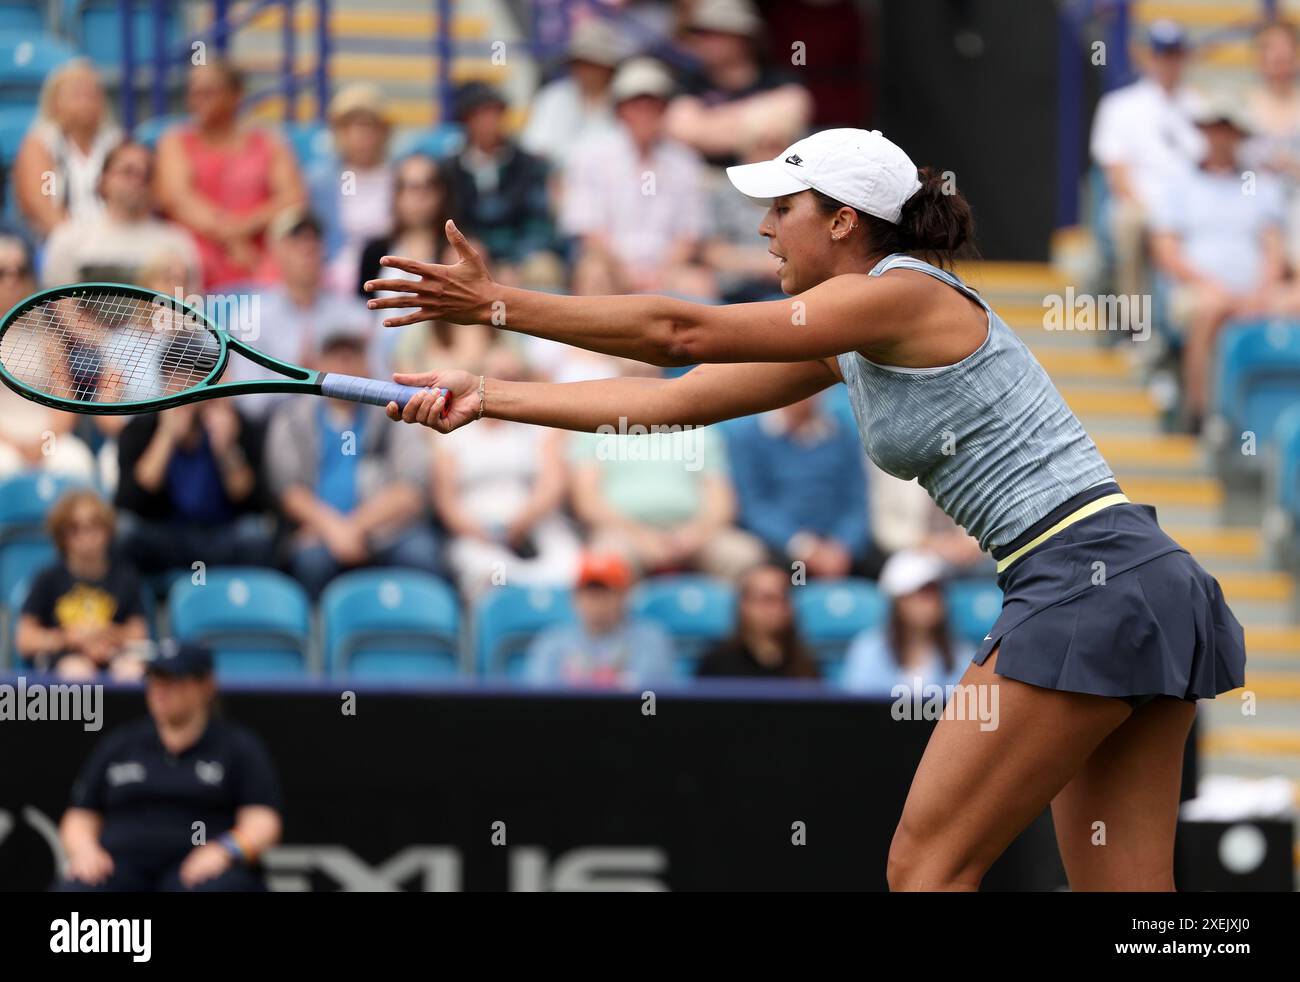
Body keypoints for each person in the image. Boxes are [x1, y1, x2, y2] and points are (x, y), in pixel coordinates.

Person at [367, 125, 1246, 892]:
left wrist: (497, 303)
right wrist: (488, 391)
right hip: (1137, 578)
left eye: (781, 208)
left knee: (926, 868)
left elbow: (683, 331)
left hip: (1086, 583)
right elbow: (674, 399)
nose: (762, 228)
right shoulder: (847, 341)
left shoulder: (905, 294)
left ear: (842, 222)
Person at [57, 640, 283, 892]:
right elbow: (80, 815)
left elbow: (263, 822)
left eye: (172, 680)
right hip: (120, 868)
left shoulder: (237, 747)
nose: (160, 690)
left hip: (197, 871)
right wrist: (85, 850)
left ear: (205, 686)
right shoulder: (120, 744)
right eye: (154, 679)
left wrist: (224, 850)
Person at [264, 329, 440, 597]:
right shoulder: (292, 417)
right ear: (318, 364)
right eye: (336, 357)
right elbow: (288, 490)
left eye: (352, 357)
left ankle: (418, 635)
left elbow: (412, 489)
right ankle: (319, 636)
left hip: (385, 532)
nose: (344, 366)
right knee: (310, 562)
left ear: (366, 365)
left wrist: (353, 528)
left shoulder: (393, 414)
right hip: (318, 532)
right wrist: (333, 529)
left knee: (421, 554)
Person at [1149, 100, 1291, 431]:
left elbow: (1273, 249)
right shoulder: (1179, 182)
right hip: (1198, 292)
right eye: (1215, 128)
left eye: (1228, 129)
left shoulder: (1262, 185)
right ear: (1204, 132)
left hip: (1255, 293)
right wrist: (1213, 287)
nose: (1222, 137)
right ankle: (1204, 415)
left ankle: (1271, 419)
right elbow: (1167, 253)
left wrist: (1260, 292)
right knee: (1208, 309)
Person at [561, 58, 715, 299]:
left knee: (699, 284)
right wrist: (624, 271)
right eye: (636, 105)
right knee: (592, 273)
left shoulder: (685, 161)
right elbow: (588, 230)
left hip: (667, 269)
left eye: (653, 106)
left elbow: (690, 233)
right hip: (611, 266)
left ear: (664, 110)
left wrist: (661, 274)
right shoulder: (589, 155)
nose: (645, 114)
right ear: (621, 110)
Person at [432, 346, 580, 598]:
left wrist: (524, 520)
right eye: (499, 375)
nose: (507, 383)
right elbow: (445, 498)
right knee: (487, 577)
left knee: (571, 569)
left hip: (535, 527)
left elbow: (552, 484)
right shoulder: (453, 432)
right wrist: (476, 531)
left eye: (515, 376)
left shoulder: (539, 428)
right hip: (476, 531)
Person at [567, 395, 766, 580]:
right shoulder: (595, 426)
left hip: (695, 534)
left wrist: (693, 535)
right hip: (623, 533)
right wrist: (641, 537)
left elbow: (722, 500)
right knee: (607, 558)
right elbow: (587, 502)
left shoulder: (697, 427)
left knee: (743, 555)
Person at [154, 61, 305, 289]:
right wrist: (232, 240)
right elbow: (177, 199)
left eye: (208, 92)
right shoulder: (175, 141)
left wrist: (240, 229)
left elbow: (293, 199)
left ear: (236, 95)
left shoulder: (269, 142)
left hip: (260, 248)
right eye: (193, 93)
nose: (196, 100)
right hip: (197, 249)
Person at [1089, 20, 1206, 299]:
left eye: (1175, 55)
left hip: (1189, 204)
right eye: (1162, 54)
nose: (1169, 63)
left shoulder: (1199, 105)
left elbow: (1208, 166)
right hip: (1141, 204)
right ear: (1147, 56)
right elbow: (1116, 175)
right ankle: (1134, 321)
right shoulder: (1119, 105)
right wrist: (1155, 212)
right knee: (1128, 220)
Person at [226, 209, 373, 421]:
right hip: (279, 427)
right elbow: (249, 402)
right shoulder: (252, 316)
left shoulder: (355, 315)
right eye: (296, 239)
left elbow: (378, 379)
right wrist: (299, 380)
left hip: (351, 421)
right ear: (275, 251)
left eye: (313, 238)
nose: (307, 247)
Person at [114, 400, 273, 575]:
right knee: (126, 531)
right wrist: (166, 435)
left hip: (221, 534)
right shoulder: (145, 426)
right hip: (168, 535)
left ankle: (244, 598)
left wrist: (227, 448)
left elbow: (250, 499)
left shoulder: (233, 422)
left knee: (255, 534)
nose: (185, 391)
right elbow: (131, 499)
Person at [724, 392, 875, 578]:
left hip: (837, 547)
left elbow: (856, 501)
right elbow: (753, 505)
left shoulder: (843, 434)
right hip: (777, 545)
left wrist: (843, 546)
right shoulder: (748, 437)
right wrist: (802, 546)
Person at [14, 490, 149, 680]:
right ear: (62, 536)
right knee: (77, 671)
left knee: (132, 671)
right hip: (63, 657)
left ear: (108, 530)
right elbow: (25, 639)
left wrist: (107, 635)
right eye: (75, 528)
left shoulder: (125, 577)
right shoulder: (48, 579)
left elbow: (139, 633)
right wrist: (66, 638)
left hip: (113, 654)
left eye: (94, 526)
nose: (86, 536)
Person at [665, 0, 812, 167]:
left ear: (742, 38)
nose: (703, 42)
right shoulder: (688, 81)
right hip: (707, 181)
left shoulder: (780, 78)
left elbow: (790, 115)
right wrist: (757, 120)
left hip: (765, 175)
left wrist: (709, 123)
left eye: (714, 34)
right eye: (701, 34)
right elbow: (683, 132)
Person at [442, 81, 562, 287]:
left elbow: (539, 223)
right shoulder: (449, 170)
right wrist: (471, 248)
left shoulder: (528, 165)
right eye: (479, 115)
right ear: (467, 121)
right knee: (455, 267)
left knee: (543, 269)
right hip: (471, 252)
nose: (488, 122)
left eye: (493, 113)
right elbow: (447, 220)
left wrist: (515, 261)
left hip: (522, 254)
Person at [41, 140, 201, 288]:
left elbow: (186, 311)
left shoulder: (179, 244)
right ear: (102, 182)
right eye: (128, 171)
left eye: (147, 175)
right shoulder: (67, 238)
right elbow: (62, 306)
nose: (139, 180)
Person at [0, 235, 97, 478]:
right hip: (4, 440)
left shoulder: (47, 336)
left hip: (45, 438)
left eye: (19, 272)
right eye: (2, 273)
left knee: (76, 462)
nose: (12, 281)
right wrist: (15, 444)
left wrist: (44, 441)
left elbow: (64, 399)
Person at [523, 551, 675, 687]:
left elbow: (650, 704)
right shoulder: (552, 641)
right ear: (574, 597)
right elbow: (538, 698)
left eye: (604, 592)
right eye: (589, 592)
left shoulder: (649, 640)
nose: (595, 601)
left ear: (624, 596)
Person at [12, 59, 121, 238]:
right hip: (61, 239)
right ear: (55, 102)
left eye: (93, 94)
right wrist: (73, 240)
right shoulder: (43, 145)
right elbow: (43, 201)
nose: (87, 101)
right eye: (77, 94)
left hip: (115, 235)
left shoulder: (115, 143)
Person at [840, 550, 970, 696]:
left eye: (936, 590)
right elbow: (855, 709)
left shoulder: (961, 656)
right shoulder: (867, 651)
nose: (931, 601)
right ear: (898, 601)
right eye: (922, 592)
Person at [309, 83, 395, 292]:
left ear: (383, 132)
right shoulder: (320, 181)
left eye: (369, 127)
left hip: (391, 270)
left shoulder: (399, 176)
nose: (362, 137)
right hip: (333, 278)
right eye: (352, 127)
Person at [520, 17, 623, 170]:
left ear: (608, 68)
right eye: (582, 63)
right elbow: (534, 149)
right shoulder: (553, 97)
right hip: (557, 181)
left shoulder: (625, 102)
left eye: (593, 64)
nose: (587, 72)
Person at [695, 562, 819, 679]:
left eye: (784, 598)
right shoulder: (717, 666)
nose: (778, 607)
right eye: (768, 599)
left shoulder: (805, 666)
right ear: (744, 605)